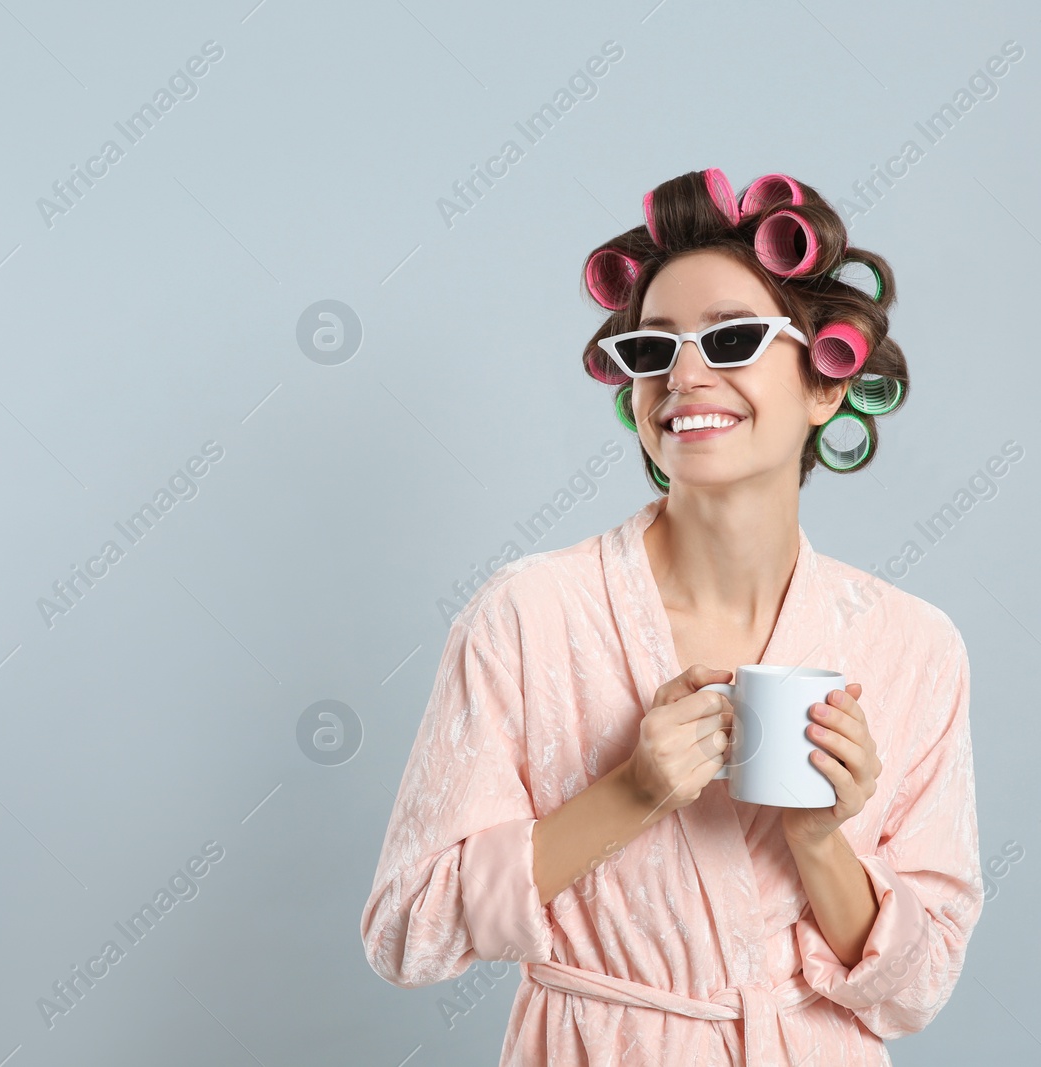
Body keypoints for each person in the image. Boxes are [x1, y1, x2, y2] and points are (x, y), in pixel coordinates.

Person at [361, 167, 981, 1066]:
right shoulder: (531, 616)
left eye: (730, 339)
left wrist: (820, 837)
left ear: (826, 384)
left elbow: (919, 988)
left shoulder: (914, 645)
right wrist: (631, 792)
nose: (685, 375)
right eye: (653, 350)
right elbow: (405, 930)